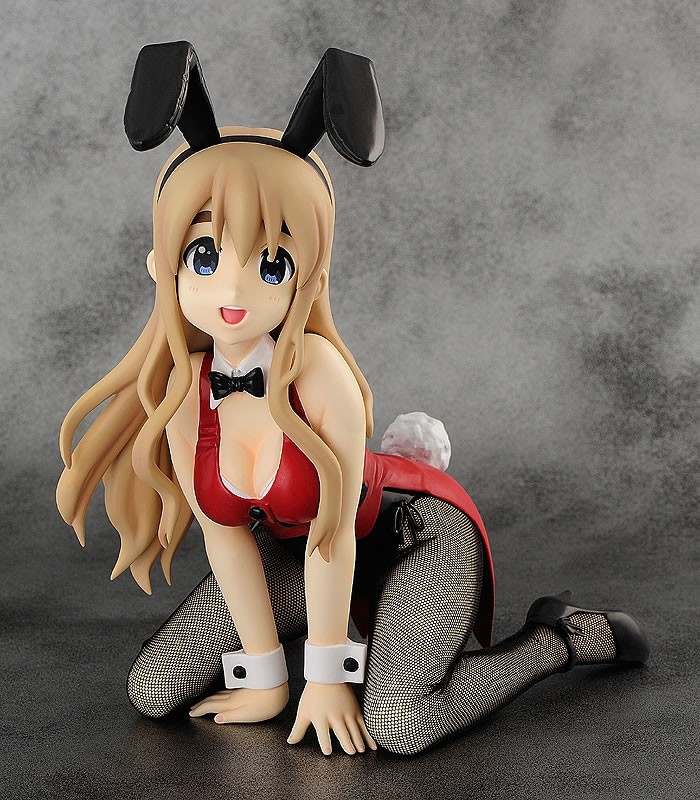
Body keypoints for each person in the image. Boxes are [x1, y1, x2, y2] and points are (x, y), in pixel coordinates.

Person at [56, 42, 649, 757]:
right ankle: (332, 643)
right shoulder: (187, 392)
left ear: (308, 273)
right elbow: (226, 535)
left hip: (411, 539)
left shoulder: (318, 375)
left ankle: (564, 637)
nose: (234, 290)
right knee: (152, 688)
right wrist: (268, 678)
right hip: (295, 555)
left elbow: (334, 534)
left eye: (271, 261)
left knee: (398, 724)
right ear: (163, 262)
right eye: (205, 256)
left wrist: (328, 677)